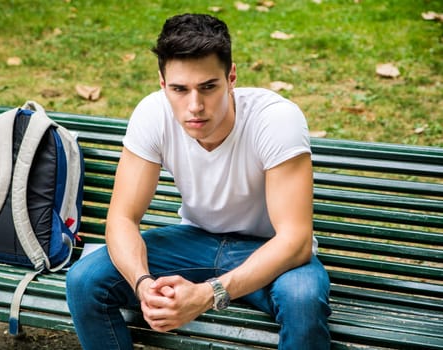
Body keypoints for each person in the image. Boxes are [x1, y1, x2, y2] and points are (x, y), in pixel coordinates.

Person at [66, 13, 331, 350]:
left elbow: (295, 240)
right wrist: (142, 283)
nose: (195, 106)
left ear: (231, 76)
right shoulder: (152, 114)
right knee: (85, 280)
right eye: (179, 89)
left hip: (270, 248)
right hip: (194, 241)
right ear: (162, 83)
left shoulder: (276, 120)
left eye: (208, 87)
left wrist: (210, 293)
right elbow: (121, 218)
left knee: (303, 301)